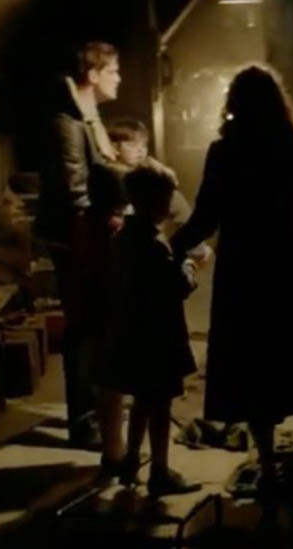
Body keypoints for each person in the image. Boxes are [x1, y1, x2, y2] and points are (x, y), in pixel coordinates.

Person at [170, 65, 293, 501]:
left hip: (243, 268)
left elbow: (205, 217)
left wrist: (171, 246)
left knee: (253, 364)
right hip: (286, 263)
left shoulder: (224, 152)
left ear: (234, 105)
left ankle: (267, 463)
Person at [35, 41, 123, 448]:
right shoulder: (68, 123)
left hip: (88, 235)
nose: (119, 78)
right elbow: (76, 191)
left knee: (94, 326)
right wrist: (104, 224)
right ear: (92, 74)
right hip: (77, 239)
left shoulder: (87, 118)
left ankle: (95, 413)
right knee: (85, 329)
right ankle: (85, 421)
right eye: (113, 71)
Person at [102, 167, 202, 495]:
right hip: (158, 337)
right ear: (158, 200)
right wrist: (189, 265)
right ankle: (159, 469)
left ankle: (131, 460)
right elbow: (177, 287)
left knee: (142, 401)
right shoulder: (155, 245)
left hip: (131, 333)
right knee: (159, 406)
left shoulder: (122, 237)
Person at [106, 119, 213, 263]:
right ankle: (196, 250)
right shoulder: (114, 172)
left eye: (143, 145)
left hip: (142, 222)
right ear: (115, 148)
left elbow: (172, 181)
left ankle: (194, 248)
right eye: (133, 145)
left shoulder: (146, 166)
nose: (140, 150)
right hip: (129, 221)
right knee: (175, 199)